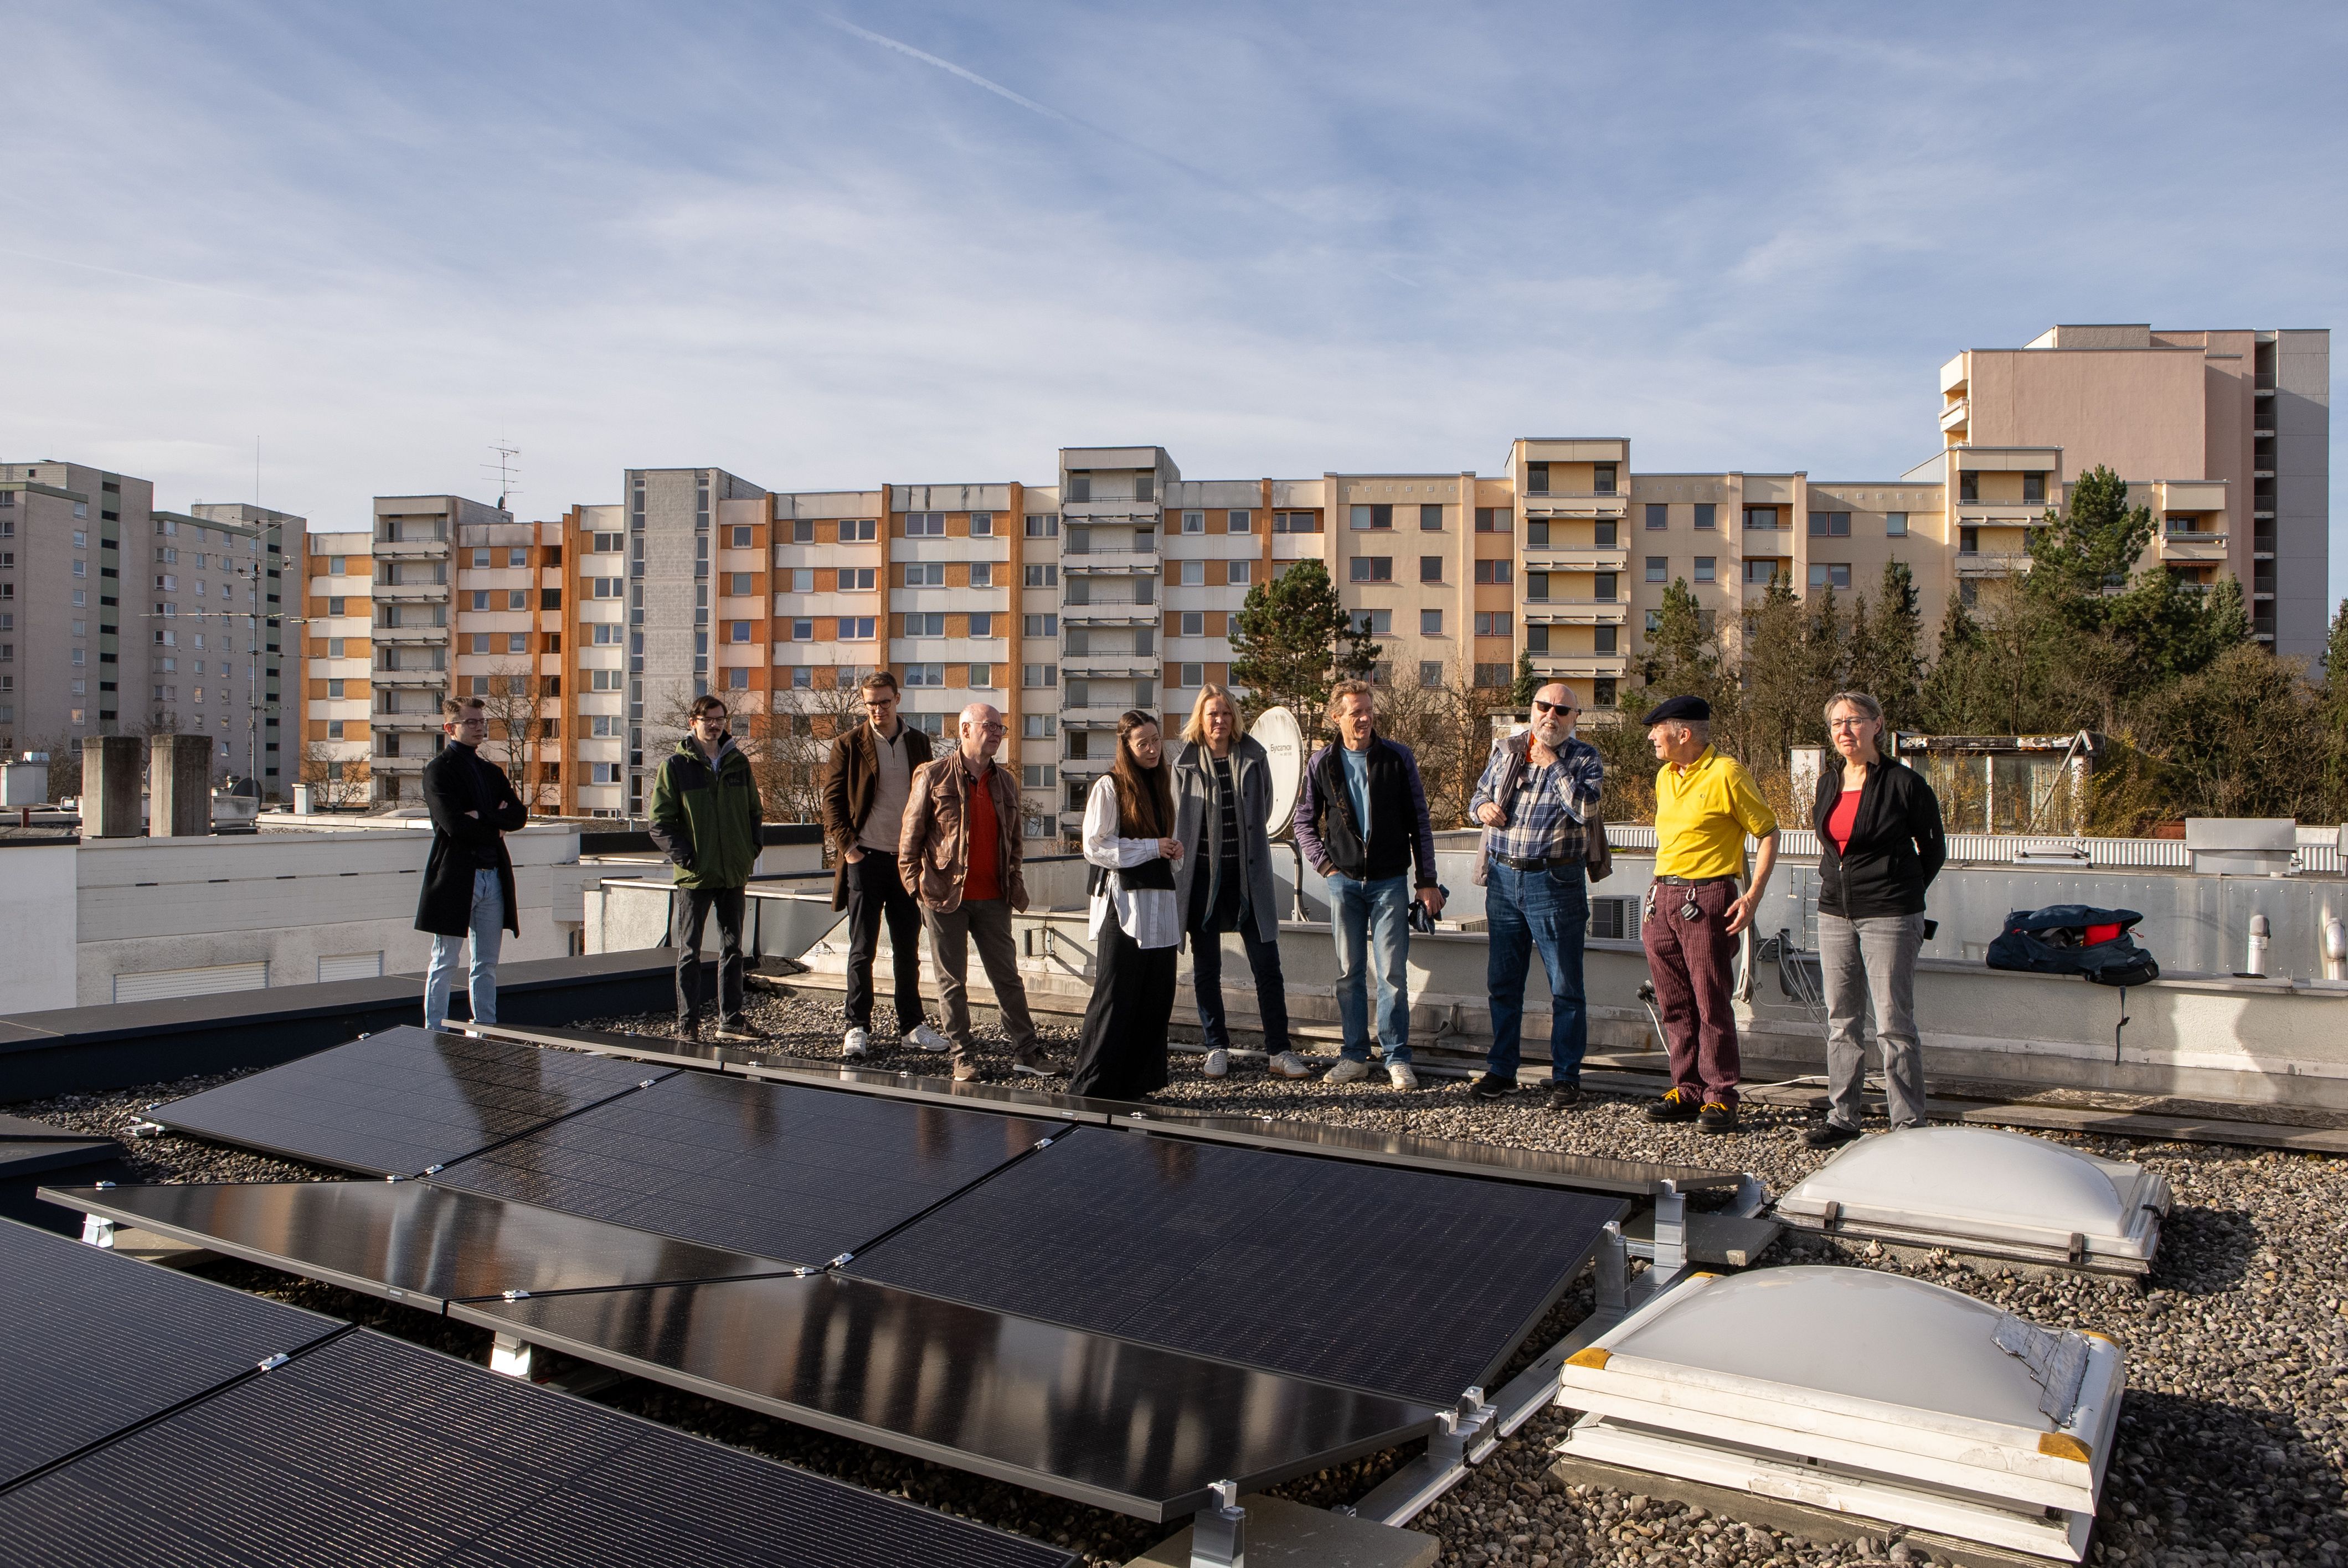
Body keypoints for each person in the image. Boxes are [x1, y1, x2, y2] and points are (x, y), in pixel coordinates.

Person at [1806, 690, 1947, 1148]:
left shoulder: (1904, 784)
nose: (1845, 731)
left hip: (1890, 914)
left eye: (1854, 721)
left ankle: (1907, 1124)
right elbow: (1832, 846)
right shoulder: (1828, 783)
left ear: (1877, 725)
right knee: (1842, 1021)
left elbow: (1934, 851)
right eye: (1836, 724)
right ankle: (1843, 1117)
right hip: (1835, 913)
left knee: (1893, 1024)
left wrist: (1902, 894)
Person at [898, 702, 1060, 1083]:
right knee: (951, 981)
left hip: (994, 896)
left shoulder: (1005, 782)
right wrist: (915, 888)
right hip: (944, 896)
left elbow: (1015, 841)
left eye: (1000, 727)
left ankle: (1027, 1052)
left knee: (1007, 977)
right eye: (989, 726)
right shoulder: (933, 774)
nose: (997, 733)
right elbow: (910, 837)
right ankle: (962, 1056)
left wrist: (1014, 880)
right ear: (965, 730)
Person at [1293, 679, 1443, 1090]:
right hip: (1344, 884)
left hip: (1390, 882)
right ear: (1336, 717)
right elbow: (1303, 823)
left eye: (1368, 710)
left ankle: (1396, 1057)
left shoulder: (1398, 758)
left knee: (1393, 975)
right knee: (1349, 974)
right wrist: (1325, 867)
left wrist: (1426, 881)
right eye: (1355, 711)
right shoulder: (1322, 763)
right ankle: (1354, 1055)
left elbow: (1420, 823)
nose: (1365, 718)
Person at [1640, 695, 1778, 1134]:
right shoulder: (1665, 776)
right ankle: (1688, 1089)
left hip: (1708, 897)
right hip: (1663, 896)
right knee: (1674, 1002)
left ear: (1683, 734)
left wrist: (1754, 894)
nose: (1650, 738)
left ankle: (1721, 1096)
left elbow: (1768, 832)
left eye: (1657, 730)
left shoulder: (1728, 773)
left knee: (1710, 1001)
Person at [1467, 682, 1604, 1106]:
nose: (1551, 715)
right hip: (1505, 881)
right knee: (1503, 984)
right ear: (1532, 709)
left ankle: (1565, 1077)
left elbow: (1584, 809)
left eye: (1562, 711)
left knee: (1565, 986)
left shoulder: (1584, 758)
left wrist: (1552, 765)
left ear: (1574, 719)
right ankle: (1502, 1070)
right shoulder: (1507, 749)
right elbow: (1478, 798)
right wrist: (1481, 810)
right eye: (1544, 706)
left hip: (1555, 883)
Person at [1172, 686, 1309, 1081]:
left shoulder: (1254, 756)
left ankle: (1279, 1051)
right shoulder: (1183, 763)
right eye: (1212, 714)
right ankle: (1216, 1046)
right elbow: (1177, 819)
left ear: (1235, 718)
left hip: (1249, 878)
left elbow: (1264, 807)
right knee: (1207, 969)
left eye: (1226, 714)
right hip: (1201, 880)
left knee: (1268, 967)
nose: (1220, 721)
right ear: (1201, 718)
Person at [822, 670, 948, 1060]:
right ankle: (857, 1026)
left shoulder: (918, 742)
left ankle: (911, 1025)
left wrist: (927, 854)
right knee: (863, 948)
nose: (878, 709)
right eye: (871, 703)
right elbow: (832, 802)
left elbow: (929, 799)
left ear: (898, 699)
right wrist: (850, 849)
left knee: (908, 947)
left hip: (906, 863)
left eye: (884, 702)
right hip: (866, 859)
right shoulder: (849, 744)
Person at [1072, 710, 1183, 1098]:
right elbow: (1094, 846)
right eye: (1144, 743)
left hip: (1161, 902)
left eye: (1156, 741)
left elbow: (1163, 842)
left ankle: (1139, 1082)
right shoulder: (1110, 786)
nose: (1153, 749)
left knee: (1157, 996)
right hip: (1124, 904)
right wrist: (1154, 847)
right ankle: (1092, 1084)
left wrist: (1171, 849)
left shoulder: (1161, 784)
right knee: (1115, 996)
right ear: (1127, 747)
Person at [649, 693, 768, 1043]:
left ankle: (730, 1020)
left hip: (733, 873)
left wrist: (749, 851)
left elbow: (753, 814)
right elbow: (659, 823)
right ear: (694, 722)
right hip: (696, 878)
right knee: (690, 952)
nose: (715, 725)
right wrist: (687, 858)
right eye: (708, 719)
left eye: (720, 719)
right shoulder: (676, 767)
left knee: (733, 950)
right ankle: (688, 1025)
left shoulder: (738, 763)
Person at [417, 695, 526, 1032]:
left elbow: (519, 815)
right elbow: (454, 825)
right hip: (456, 877)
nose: (480, 727)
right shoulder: (439, 771)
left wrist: (483, 817)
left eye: (482, 721)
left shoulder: (490, 771)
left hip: (493, 878)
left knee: (486, 964)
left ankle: (485, 1029)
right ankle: (434, 1030)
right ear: (450, 728)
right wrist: (496, 826)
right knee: (446, 960)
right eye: (471, 722)